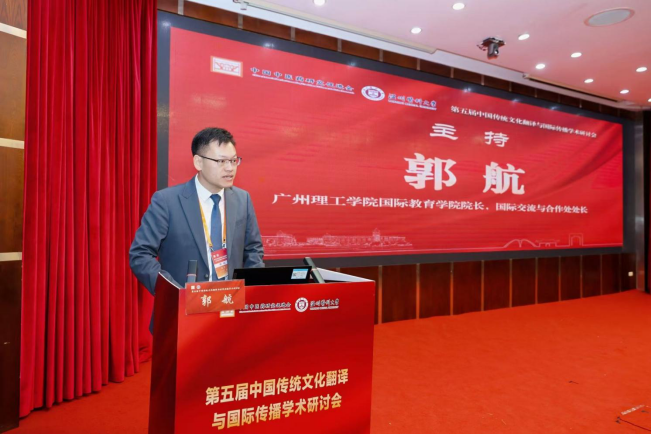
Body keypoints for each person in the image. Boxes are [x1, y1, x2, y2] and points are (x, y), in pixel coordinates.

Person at [129, 127, 264, 302]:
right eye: (221, 161)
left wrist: (253, 294)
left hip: (230, 306)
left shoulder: (242, 199)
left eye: (233, 160)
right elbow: (140, 254)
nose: (230, 168)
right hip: (183, 307)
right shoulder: (167, 201)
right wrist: (173, 293)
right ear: (198, 162)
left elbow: (253, 250)